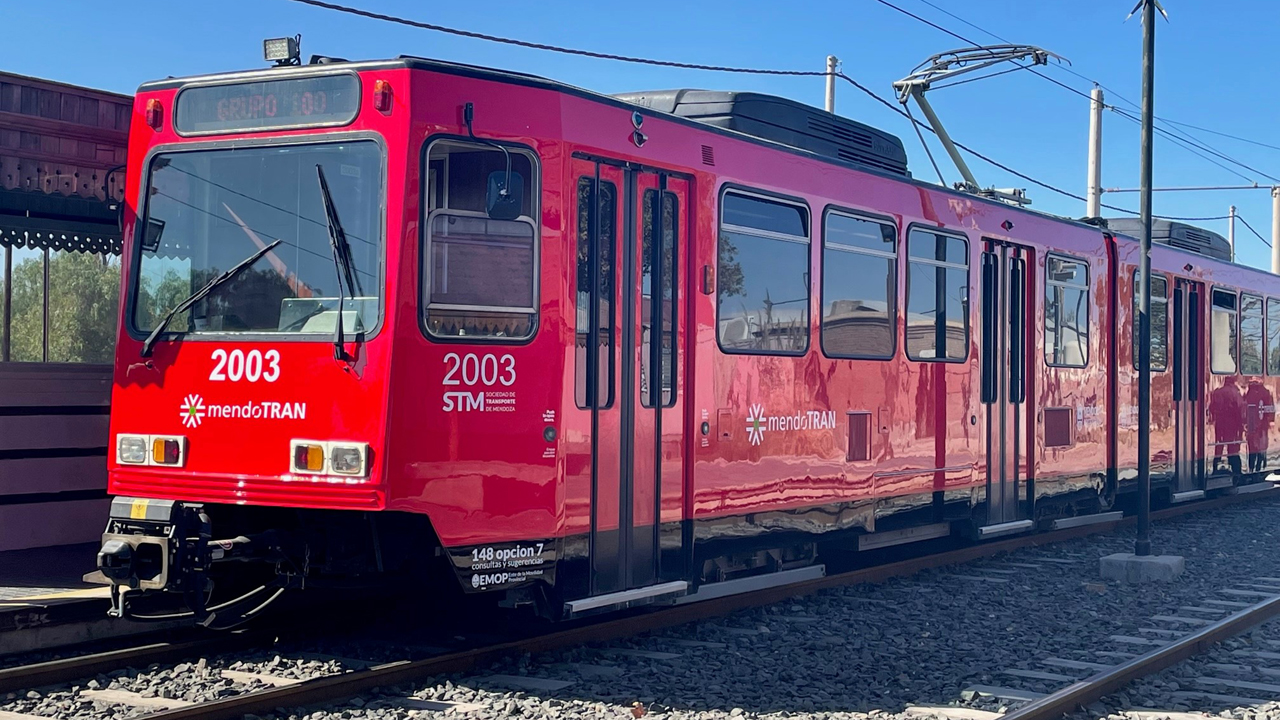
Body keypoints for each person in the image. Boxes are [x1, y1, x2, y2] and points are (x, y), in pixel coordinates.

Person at [1208, 376, 1245, 478]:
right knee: (1232, 446)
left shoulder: (1217, 392)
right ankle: (1235, 468)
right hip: (1231, 423)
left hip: (1220, 422)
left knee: (1219, 444)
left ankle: (1216, 466)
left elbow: (1211, 407)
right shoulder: (1235, 392)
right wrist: (1241, 425)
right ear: (1233, 381)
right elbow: (1240, 408)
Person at [1245, 378, 1275, 473]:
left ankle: (1252, 467)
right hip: (1262, 427)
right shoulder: (1266, 392)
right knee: (1261, 447)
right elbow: (1270, 409)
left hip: (1253, 426)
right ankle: (1259, 467)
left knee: (1252, 448)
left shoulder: (1249, 393)